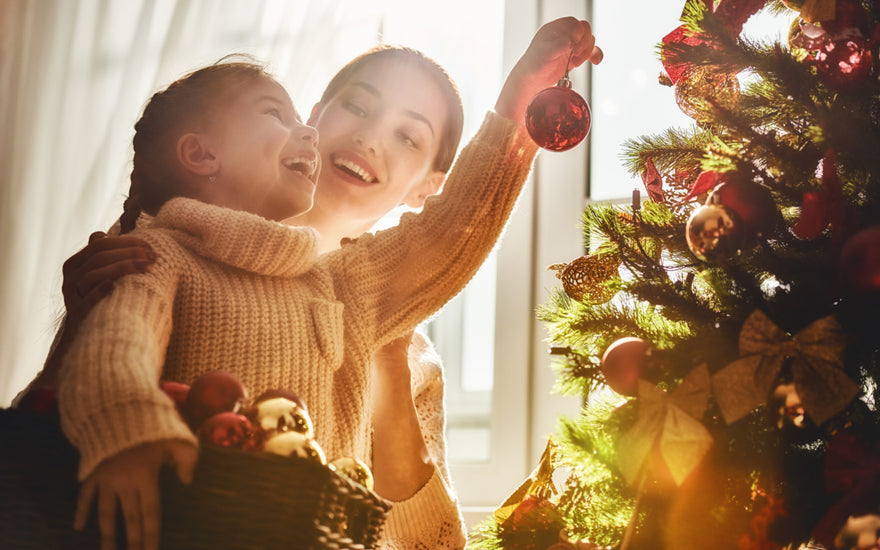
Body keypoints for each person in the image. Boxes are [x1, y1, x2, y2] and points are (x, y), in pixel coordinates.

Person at [26, 17, 603, 550]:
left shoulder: (370, 304)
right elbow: (47, 439)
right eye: (357, 107)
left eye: (409, 136)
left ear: (428, 188)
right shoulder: (156, 249)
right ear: (315, 116)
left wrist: (520, 105)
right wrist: (86, 344)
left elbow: (433, 544)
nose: (371, 138)